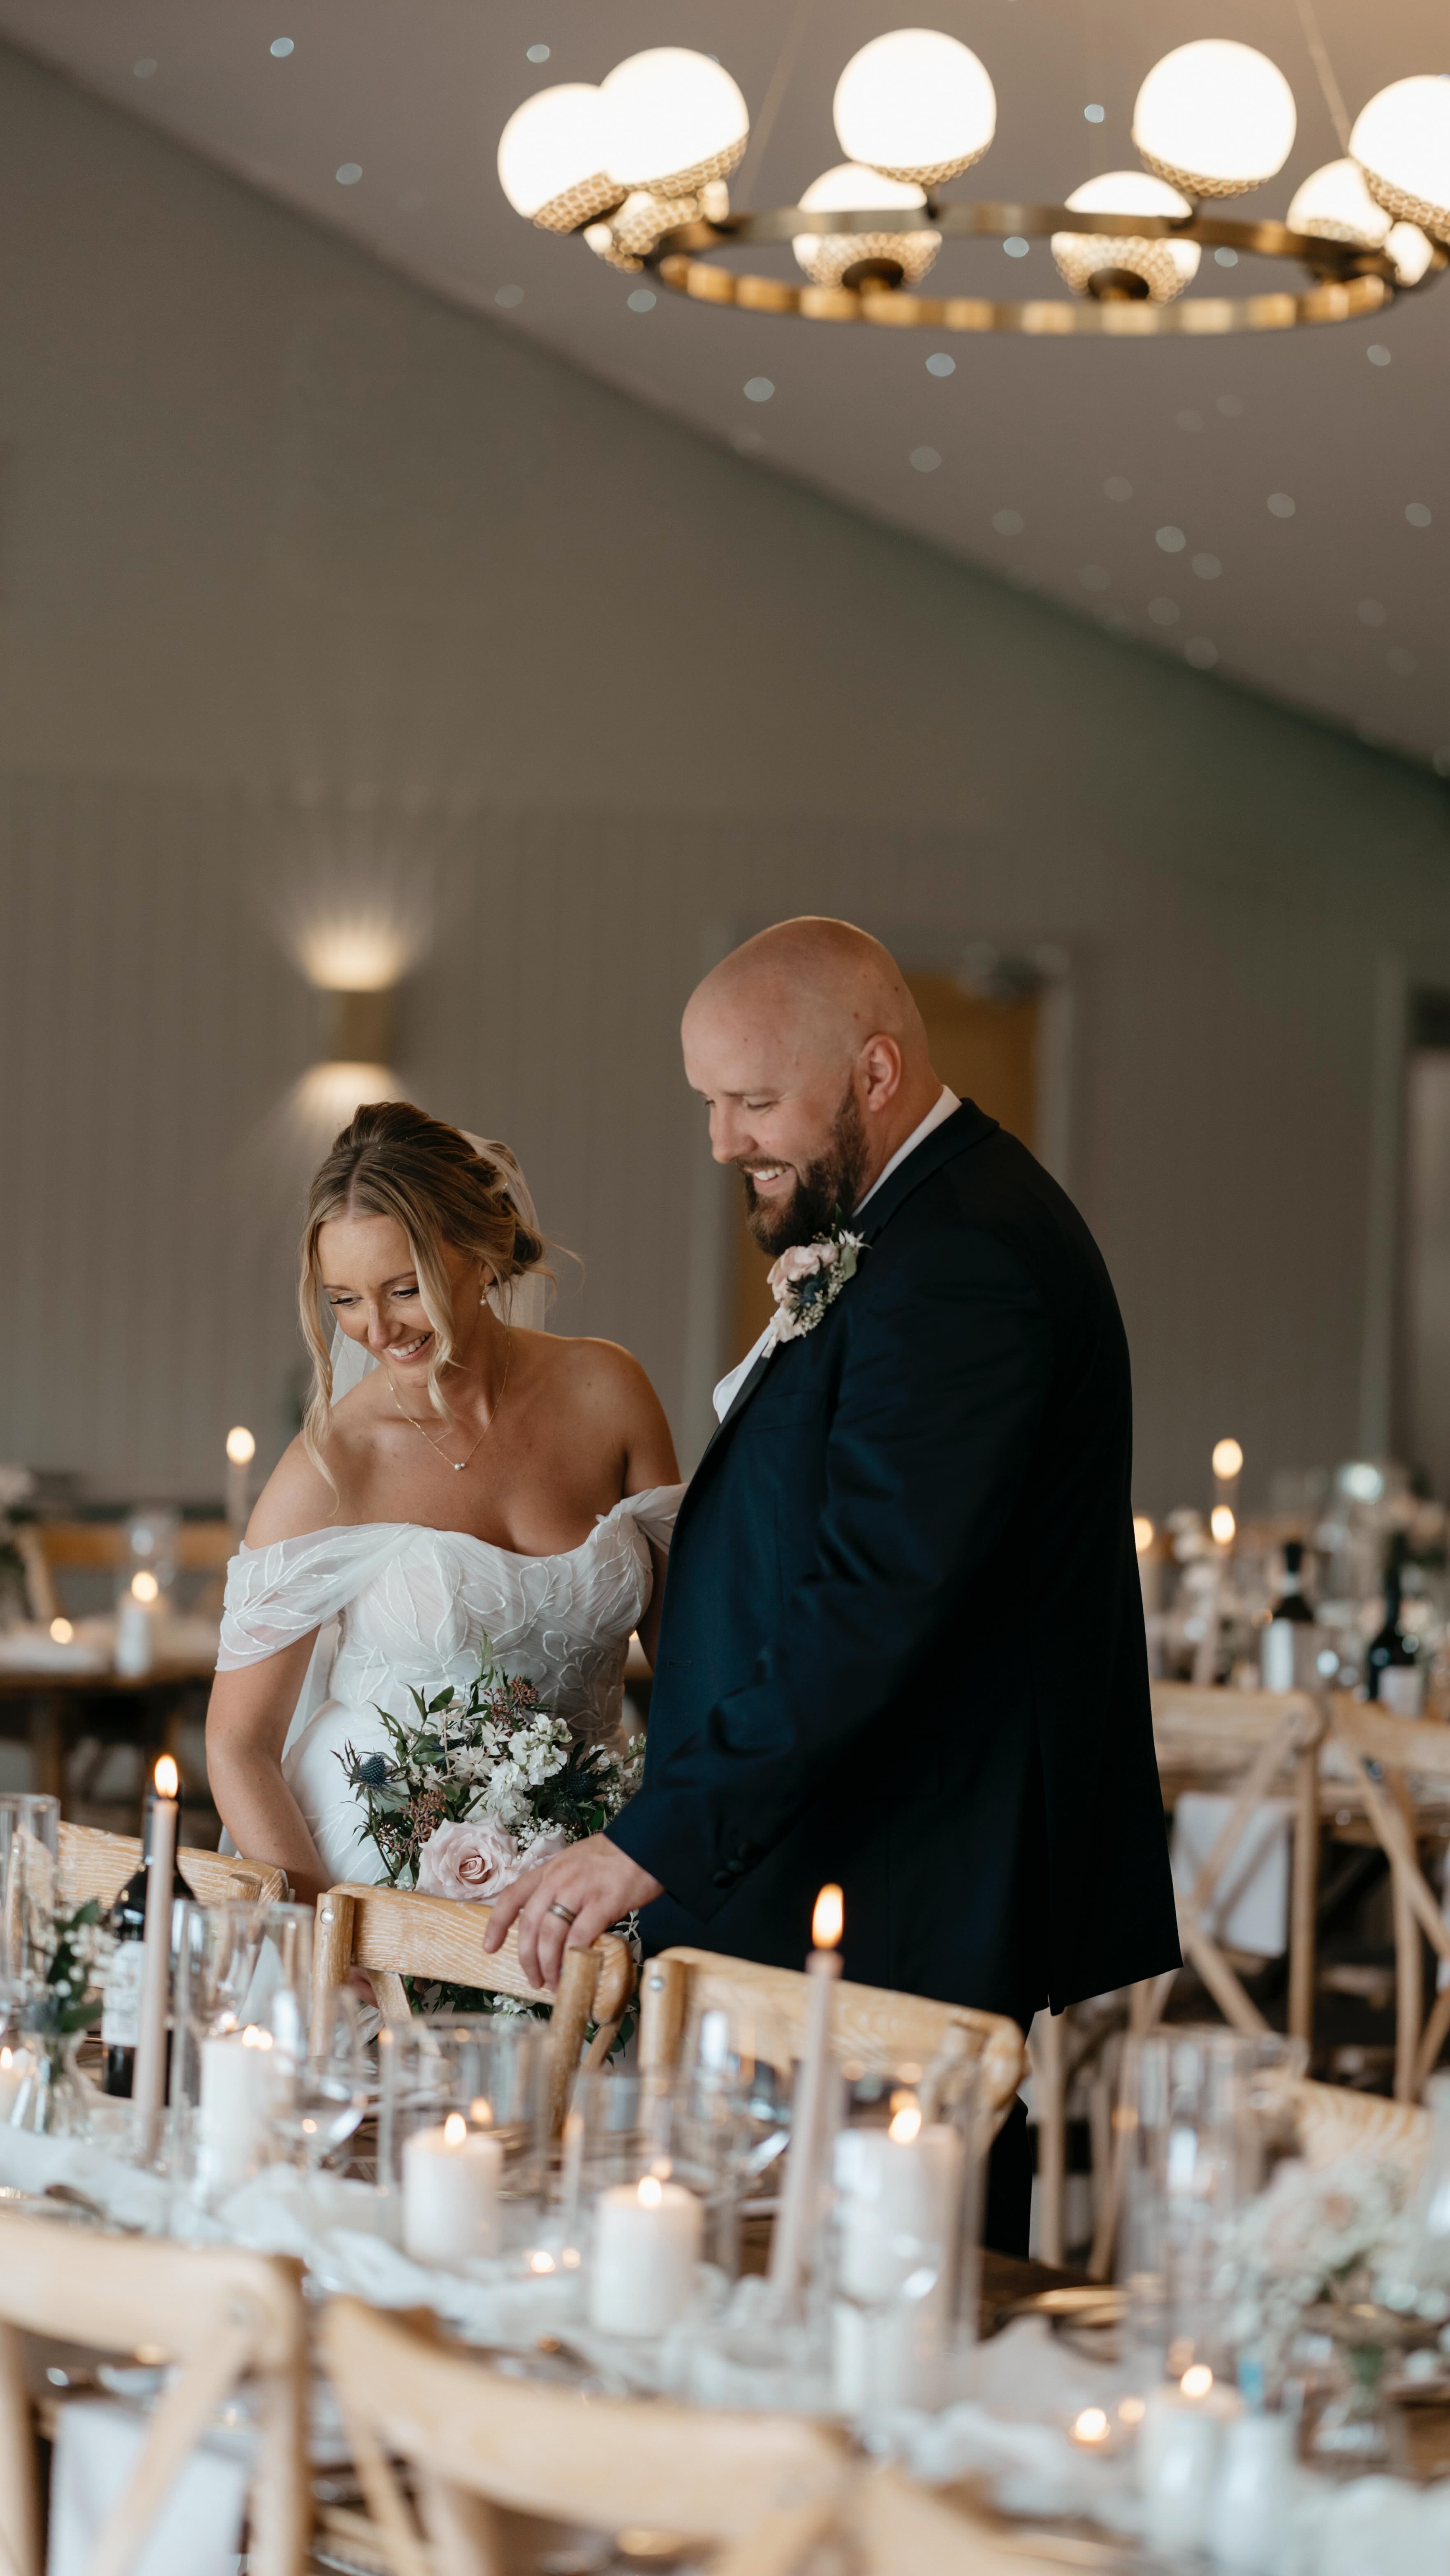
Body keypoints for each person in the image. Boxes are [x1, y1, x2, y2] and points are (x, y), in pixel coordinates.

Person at [486, 917, 1180, 2252]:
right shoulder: (915, 1227)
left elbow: (873, 1602)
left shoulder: (962, 1260)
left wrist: (653, 1835)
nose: (722, 1141)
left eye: (753, 1101)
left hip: (898, 1880)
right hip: (838, 1852)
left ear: (873, 1071)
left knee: (874, 2286)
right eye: (709, 1101)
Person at [206, 1100, 681, 1905]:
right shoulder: (331, 1466)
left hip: (592, 1871)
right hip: (377, 1881)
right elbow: (239, 1743)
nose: (378, 1329)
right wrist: (330, 1939)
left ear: (483, 1252)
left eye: (402, 1287)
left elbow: (688, 1664)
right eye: (344, 1299)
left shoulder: (609, 1392)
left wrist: (669, 1843)